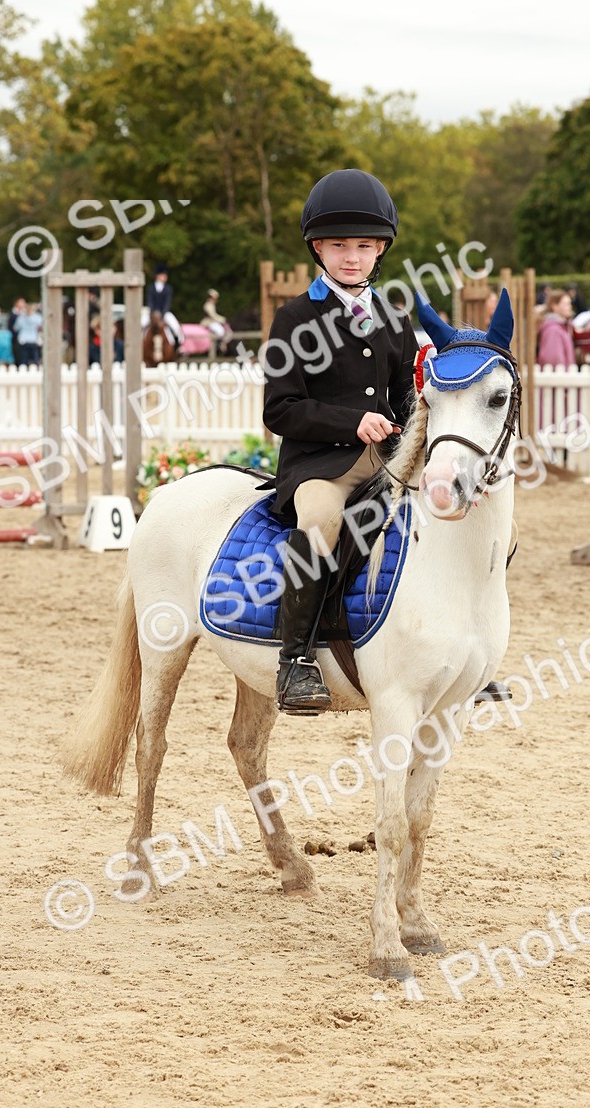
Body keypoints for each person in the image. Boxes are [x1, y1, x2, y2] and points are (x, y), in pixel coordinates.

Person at [263, 168, 417, 715]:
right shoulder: (295, 317)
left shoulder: (396, 320)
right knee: (323, 524)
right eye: (338, 246)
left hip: (386, 462)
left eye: (363, 246)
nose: (351, 257)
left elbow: (404, 400)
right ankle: (296, 660)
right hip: (320, 466)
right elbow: (280, 409)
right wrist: (350, 423)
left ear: (380, 250)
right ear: (317, 249)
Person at [537, 289, 576, 367]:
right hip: (558, 377)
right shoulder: (553, 330)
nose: (570, 307)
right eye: (566, 304)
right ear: (554, 306)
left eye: (569, 303)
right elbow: (553, 360)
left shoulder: (562, 327)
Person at [201, 288, 232, 353]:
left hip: (212, 321)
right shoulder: (208, 305)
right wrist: (223, 319)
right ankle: (218, 346)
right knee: (220, 331)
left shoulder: (211, 305)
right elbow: (213, 316)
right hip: (208, 322)